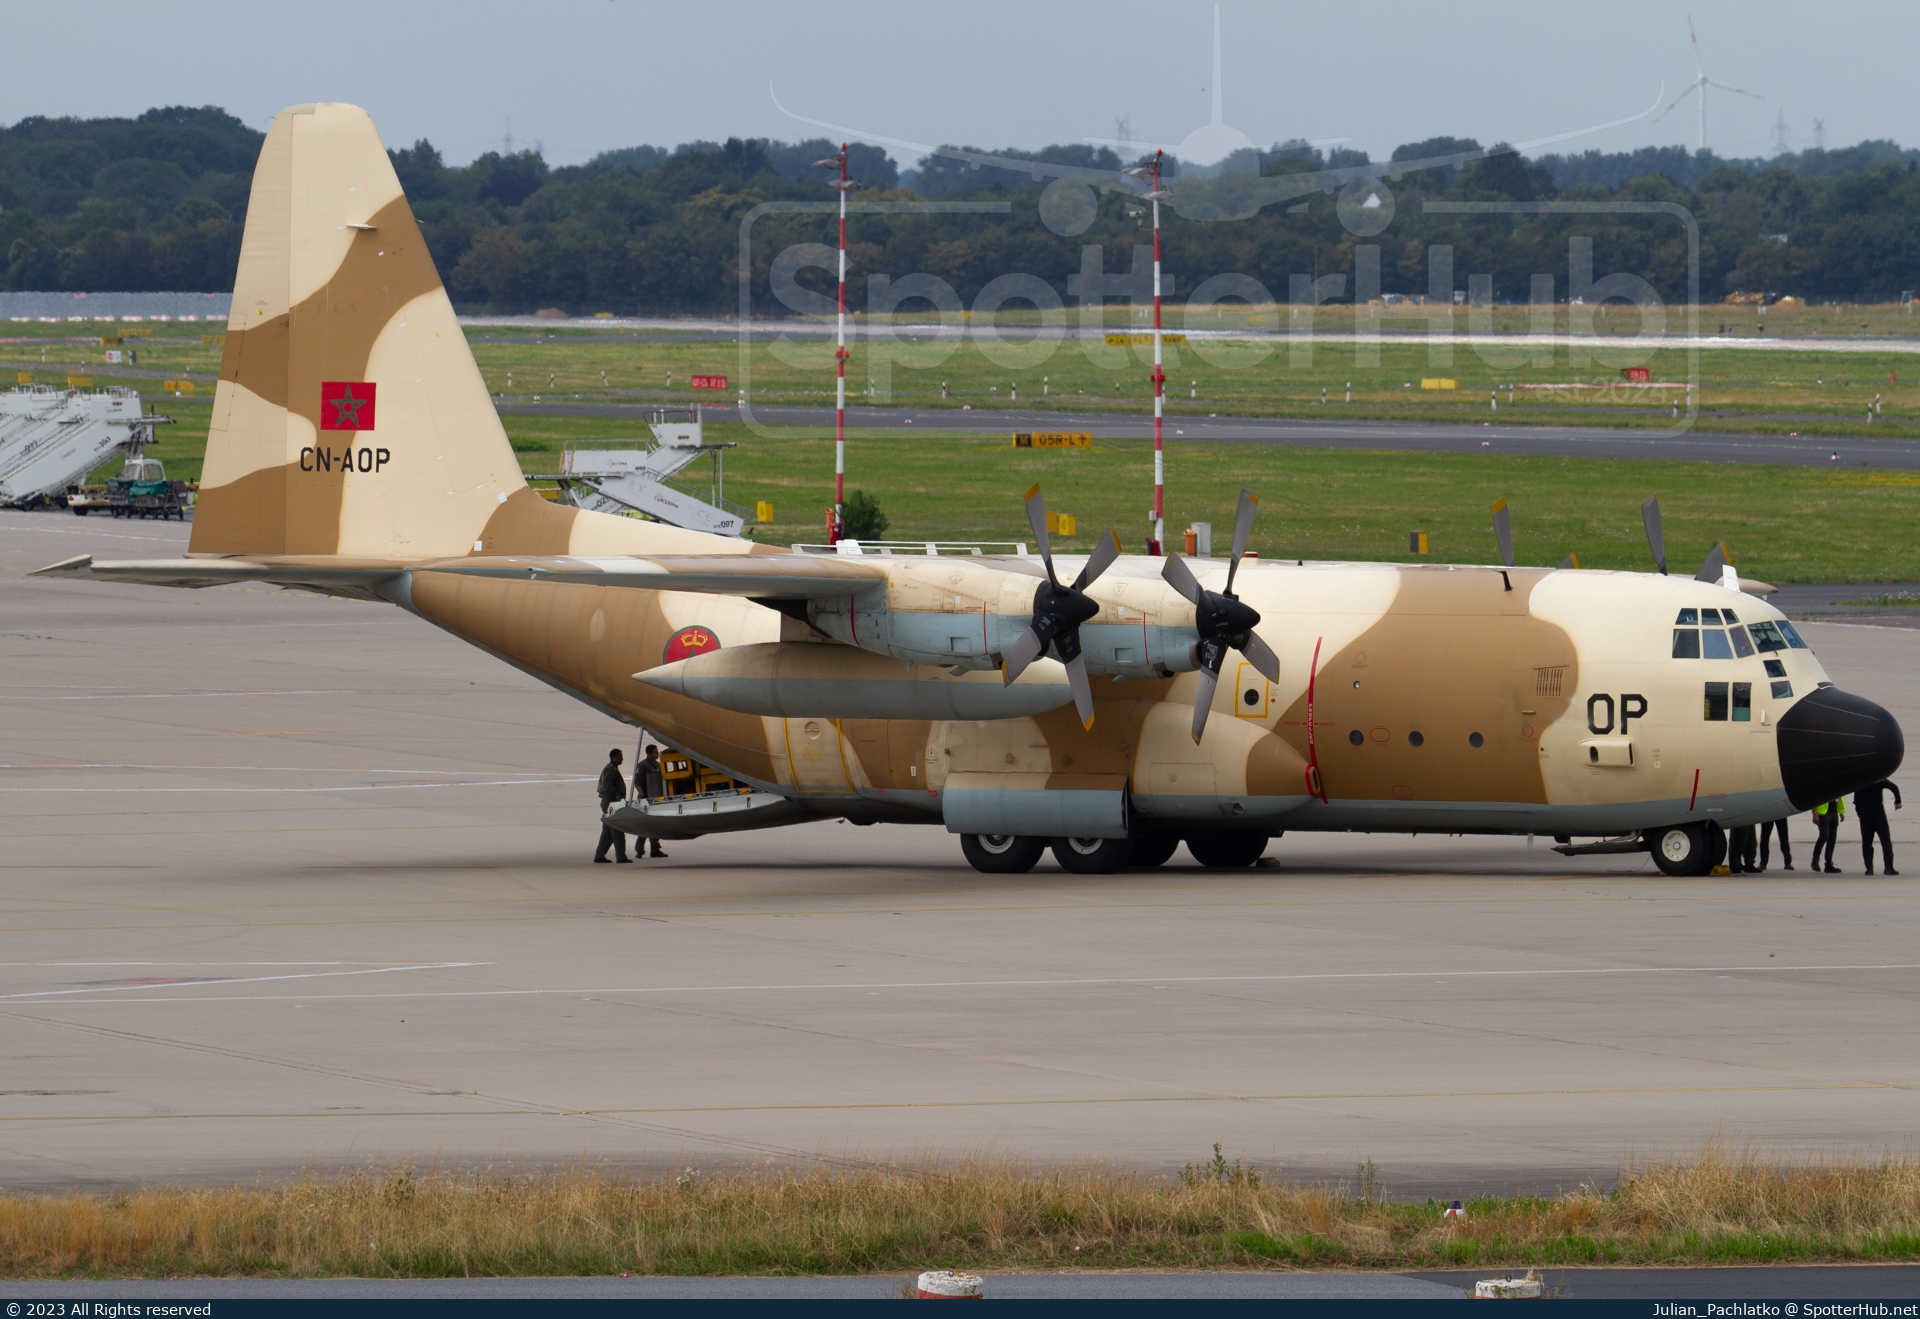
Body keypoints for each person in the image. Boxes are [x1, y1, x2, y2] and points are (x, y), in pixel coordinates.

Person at [1855, 779, 1903, 875]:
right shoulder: (1877, 779)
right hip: (1878, 814)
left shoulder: (1859, 781)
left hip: (1865, 815)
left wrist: (1860, 814)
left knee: (1867, 842)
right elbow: (1894, 787)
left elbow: (1856, 801)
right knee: (1885, 841)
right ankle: (1888, 867)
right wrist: (1898, 801)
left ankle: (1869, 868)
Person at [593, 747, 630, 864]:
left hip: (609, 801)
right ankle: (621, 856)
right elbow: (607, 783)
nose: (622, 758)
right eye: (620, 756)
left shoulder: (612, 768)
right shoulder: (611, 769)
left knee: (608, 830)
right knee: (617, 828)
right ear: (614, 757)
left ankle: (599, 855)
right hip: (610, 801)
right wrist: (617, 794)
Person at [634, 744, 668, 859]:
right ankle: (639, 850)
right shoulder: (642, 766)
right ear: (649, 754)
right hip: (645, 798)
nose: (657, 754)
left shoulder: (658, 765)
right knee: (645, 825)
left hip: (655, 797)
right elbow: (637, 783)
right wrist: (643, 796)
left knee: (655, 825)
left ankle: (655, 849)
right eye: (655, 752)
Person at [1809, 797, 1844, 873]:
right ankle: (1815, 860)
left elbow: (1840, 797)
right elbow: (1813, 798)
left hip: (1834, 812)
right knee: (1824, 836)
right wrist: (1814, 814)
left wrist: (1841, 812)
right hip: (1822, 813)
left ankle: (1828, 863)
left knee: (1832, 838)